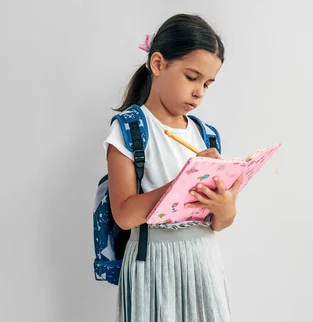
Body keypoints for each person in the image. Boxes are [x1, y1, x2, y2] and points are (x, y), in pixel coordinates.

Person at [104, 13, 241, 322]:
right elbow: (124, 215)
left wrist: (224, 206)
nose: (199, 92)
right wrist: (181, 182)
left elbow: (222, 221)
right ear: (158, 64)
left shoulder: (206, 135)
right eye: (192, 77)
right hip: (152, 265)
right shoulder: (130, 131)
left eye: (207, 83)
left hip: (203, 263)